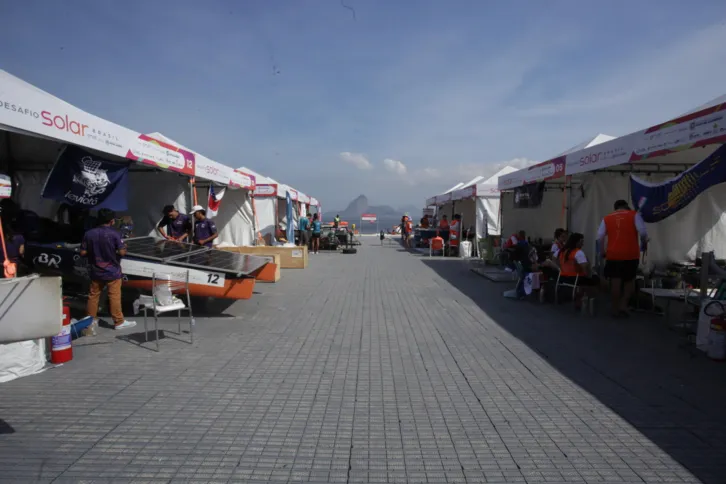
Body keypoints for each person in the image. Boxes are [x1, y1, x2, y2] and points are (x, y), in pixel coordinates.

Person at [81, 208, 136, 330]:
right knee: (114, 296)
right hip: (112, 271)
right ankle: (118, 322)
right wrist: (123, 247)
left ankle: (90, 320)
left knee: (93, 295)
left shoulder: (89, 234)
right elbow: (122, 252)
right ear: (112, 221)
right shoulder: (115, 234)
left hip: (95, 270)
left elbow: (83, 252)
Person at [598, 200, 648, 318]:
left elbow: (599, 237)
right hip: (630, 254)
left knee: (615, 282)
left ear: (615, 208)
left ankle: (614, 309)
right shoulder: (634, 215)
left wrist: (602, 252)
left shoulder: (607, 218)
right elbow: (643, 232)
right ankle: (623, 304)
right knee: (629, 281)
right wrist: (644, 244)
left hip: (613, 255)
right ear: (626, 206)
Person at [558, 233, 599, 312]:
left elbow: (554, 258)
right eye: (582, 241)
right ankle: (592, 301)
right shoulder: (578, 252)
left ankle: (579, 300)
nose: (583, 243)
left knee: (585, 282)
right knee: (596, 280)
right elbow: (585, 268)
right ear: (577, 242)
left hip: (564, 278)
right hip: (576, 278)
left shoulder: (563, 251)